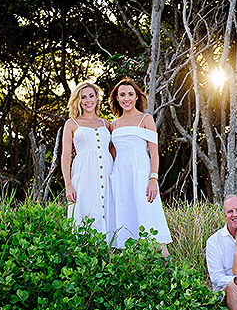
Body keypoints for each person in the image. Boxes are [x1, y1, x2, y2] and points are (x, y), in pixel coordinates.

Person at [108, 77, 172, 256]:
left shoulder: (146, 119)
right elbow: (112, 153)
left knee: (149, 218)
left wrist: (153, 178)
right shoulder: (113, 124)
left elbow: (154, 153)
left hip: (142, 176)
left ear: (136, 97)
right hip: (121, 178)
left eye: (130, 94)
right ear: (117, 99)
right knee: (126, 219)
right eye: (122, 95)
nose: (126, 98)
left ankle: (170, 273)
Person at [60, 81, 115, 241]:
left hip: (106, 173)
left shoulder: (106, 124)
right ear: (78, 100)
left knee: (107, 210)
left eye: (91, 96)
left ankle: (109, 255)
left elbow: (113, 150)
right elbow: (66, 156)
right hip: (83, 175)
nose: (88, 100)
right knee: (85, 211)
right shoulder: (72, 123)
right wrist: (68, 184)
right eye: (83, 97)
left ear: (97, 98)